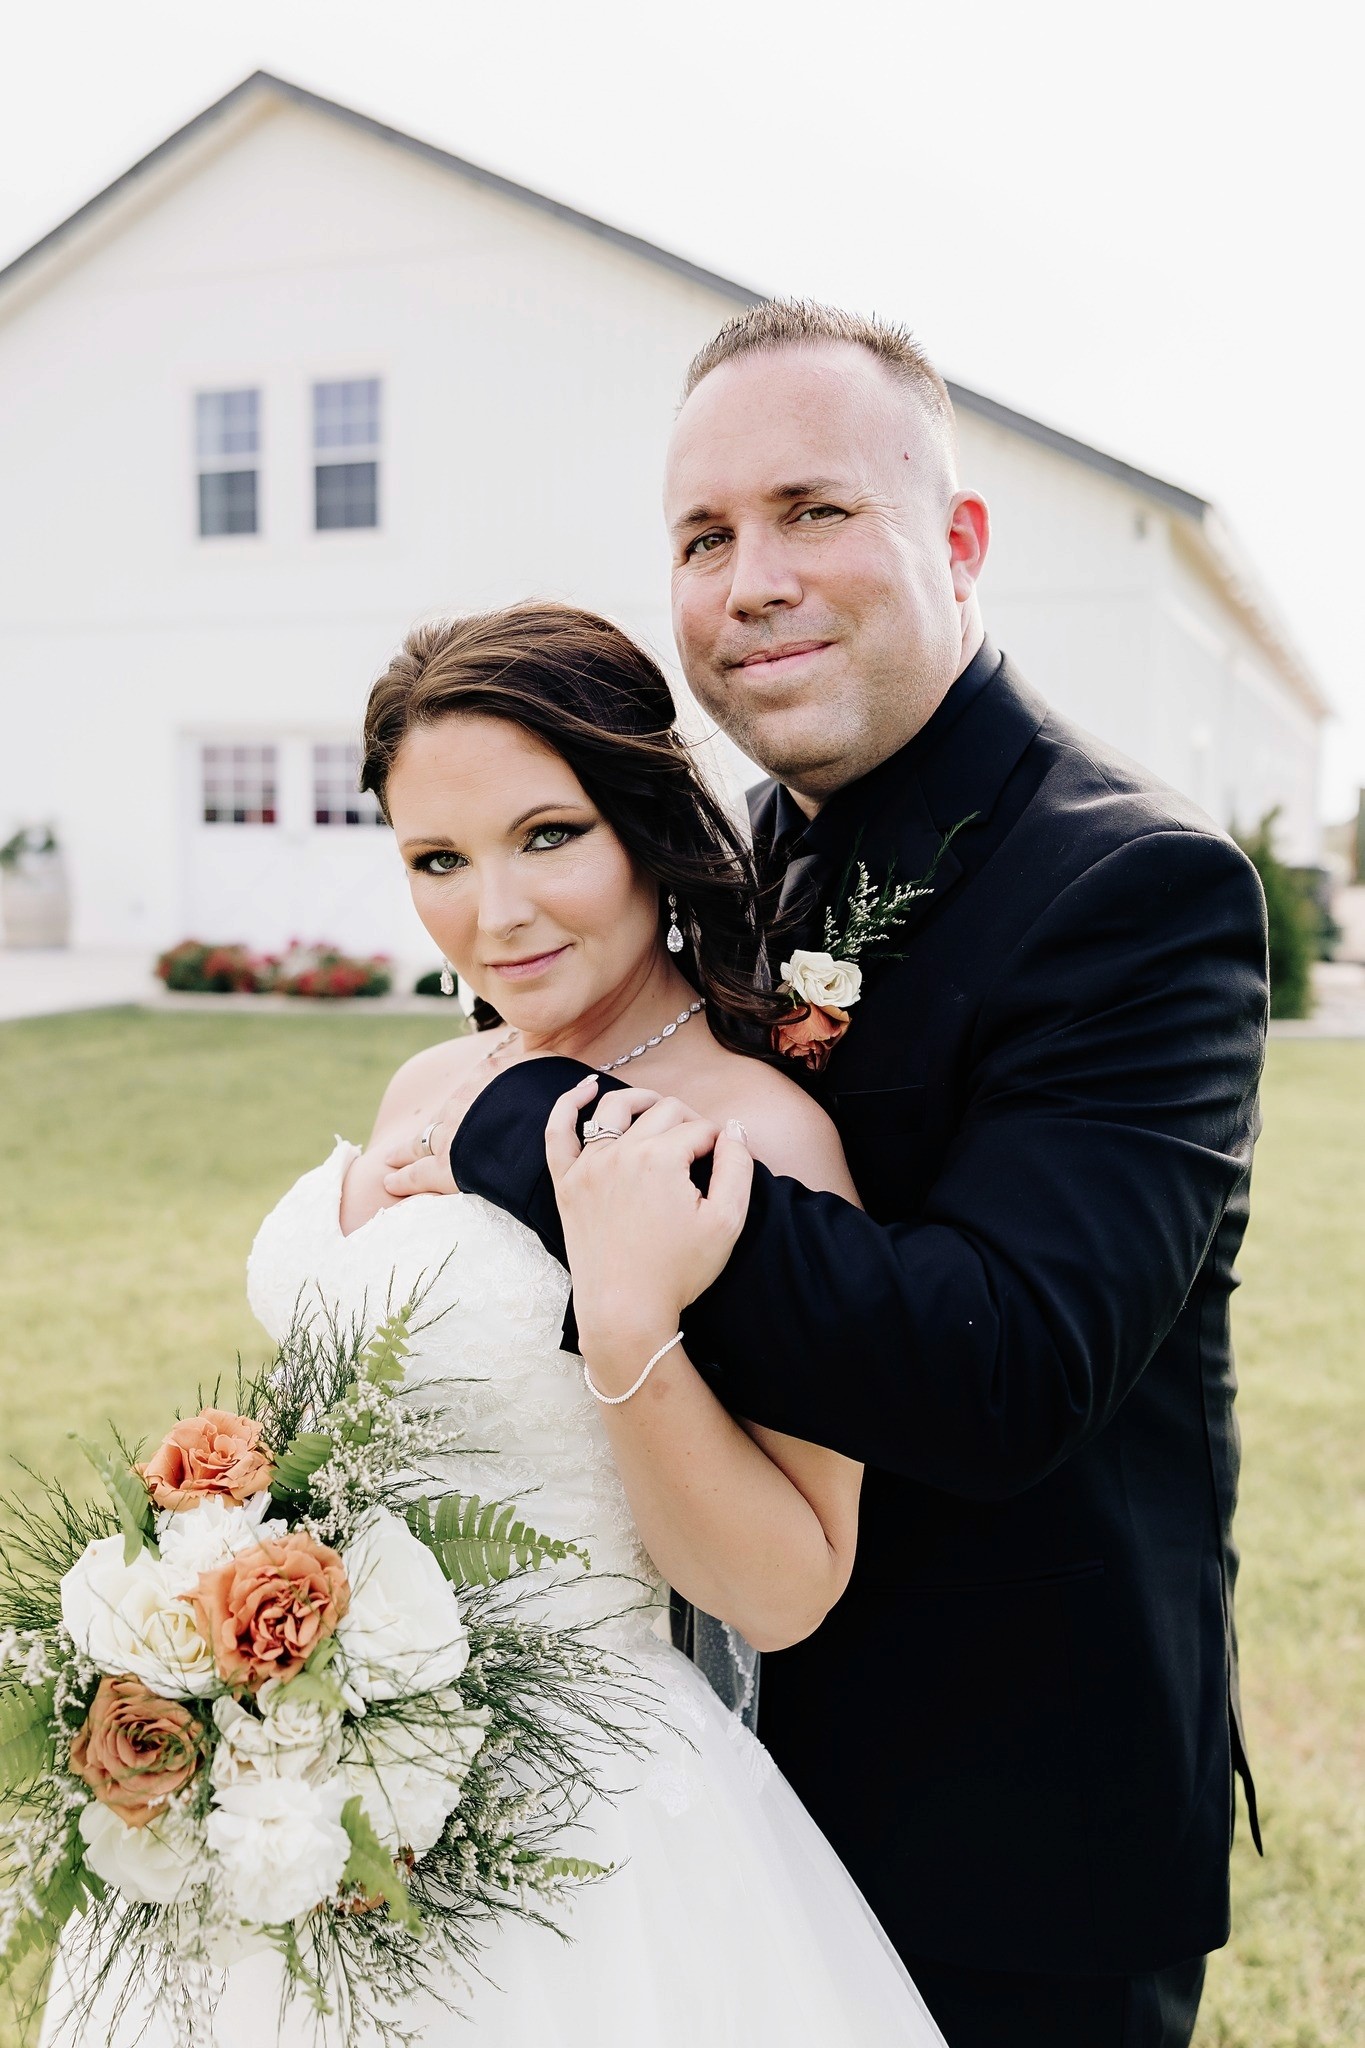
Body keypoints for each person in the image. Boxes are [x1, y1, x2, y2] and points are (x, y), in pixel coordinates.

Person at [388, 303, 1270, 2048]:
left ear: (954, 541)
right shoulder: (734, 868)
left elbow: (1006, 1368)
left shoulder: (1134, 889)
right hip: (694, 1792)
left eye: (811, 511)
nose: (751, 578)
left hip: (1006, 1820)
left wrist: (525, 1132)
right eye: (704, 538)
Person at [42, 601, 947, 2046]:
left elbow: (786, 1589)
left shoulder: (752, 1138)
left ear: (646, 821)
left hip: (577, 1822)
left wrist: (626, 1311)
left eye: (547, 837)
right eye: (436, 862)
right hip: (300, 1780)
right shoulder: (428, 1082)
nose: (495, 916)